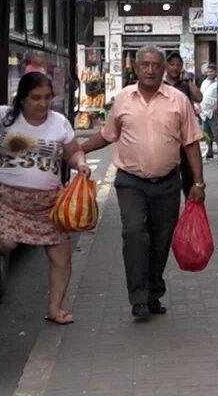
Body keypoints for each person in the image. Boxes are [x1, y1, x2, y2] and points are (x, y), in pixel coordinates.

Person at [80, 46, 205, 322]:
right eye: (145, 65)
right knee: (135, 234)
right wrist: (80, 150)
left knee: (161, 240)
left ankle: (153, 292)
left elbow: (191, 143)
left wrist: (198, 182)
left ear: (164, 69)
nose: (150, 70)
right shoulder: (123, 99)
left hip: (168, 183)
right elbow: (107, 135)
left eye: (156, 65)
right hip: (131, 182)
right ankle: (138, 299)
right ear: (136, 68)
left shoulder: (178, 100)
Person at [0, 72, 90, 326]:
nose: (42, 104)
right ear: (21, 99)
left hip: (48, 205)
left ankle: (55, 309)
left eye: (47, 98)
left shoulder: (59, 123)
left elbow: (73, 152)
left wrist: (81, 163)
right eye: (35, 98)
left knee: (61, 257)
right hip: (5, 199)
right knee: (4, 245)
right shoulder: (1, 115)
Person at [165, 52, 203, 197]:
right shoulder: (160, 85)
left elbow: (199, 97)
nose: (175, 68)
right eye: (172, 64)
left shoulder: (185, 85)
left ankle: (190, 211)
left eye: (178, 65)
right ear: (166, 67)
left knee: (189, 178)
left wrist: (188, 81)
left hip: (185, 137)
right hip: (168, 138)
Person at [200, 63, 218, 160]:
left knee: (217, 133)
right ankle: (209, 151)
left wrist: (214, 109)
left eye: (211, 72)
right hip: (204, 112)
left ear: (215, 72)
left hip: (214, 111)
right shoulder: (204, 82)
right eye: (208, 72)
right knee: (206, 134)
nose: (209, 74)